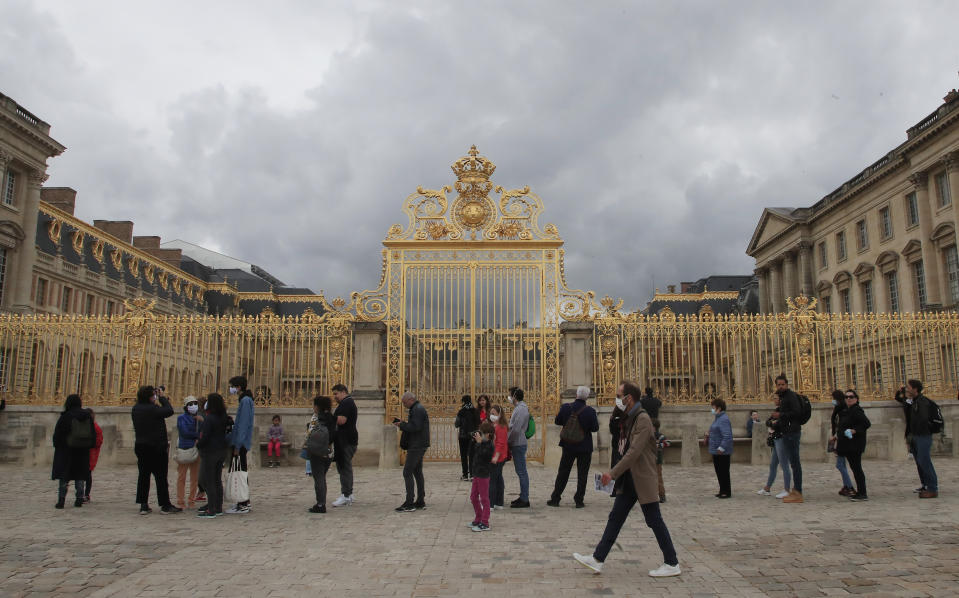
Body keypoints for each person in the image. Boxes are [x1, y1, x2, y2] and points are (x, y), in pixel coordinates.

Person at [573, 381, 680, 577]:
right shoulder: (630, 417)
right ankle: (598, 559)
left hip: (641, 478)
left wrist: (612, 473)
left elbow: (633, 452)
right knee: (615, 518)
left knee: (654, 520)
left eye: (619, 395)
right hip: (631, 479)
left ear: (628, 398)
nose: (617, 399)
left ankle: (672, 562)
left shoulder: (643, 419)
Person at [131, 385, 181, 515]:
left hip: (141, 445)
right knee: (160, 477)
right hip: (156, 446)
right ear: (149, 396)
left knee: (143, 475)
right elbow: (169, 411)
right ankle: (165, 504)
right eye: (153, 394)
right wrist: (162, 397)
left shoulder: (136, 408)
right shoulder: (153, 409)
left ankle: (143, 504)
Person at [548, 385, 599, 508]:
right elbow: (595, 428)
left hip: (568, 445)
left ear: (576, 394)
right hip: (584, 447)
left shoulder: (566, 407)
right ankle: (579, 500)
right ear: (587, 397)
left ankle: (555, 498)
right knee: (583, 474)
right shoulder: (590, 411)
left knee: (563, 472)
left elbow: (557, 421)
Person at [895, 379, 938, 498]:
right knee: (920, 462)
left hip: (922, 435)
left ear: (915, 389)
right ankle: (926, 485)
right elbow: (898, 398)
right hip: (915, 435)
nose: (907, 389)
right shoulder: (913, 401)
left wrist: (917, 431)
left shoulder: (921, 402)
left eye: (908, 387)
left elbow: (923, 419)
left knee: (925, 461)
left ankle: (932, 488)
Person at [51, 394, 93, 509]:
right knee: (80, 475)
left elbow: (58, 434)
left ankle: (61, 500)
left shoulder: (66, 416)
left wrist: (57, 445)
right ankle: (79, 498)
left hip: (66, 450)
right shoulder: (86, 415)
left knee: (64, 475)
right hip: (82, 450)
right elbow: (92, 433)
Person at [394, 391, 430, 511]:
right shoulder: (417, 408)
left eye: (404, 402)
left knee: (407, 472)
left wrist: (402, 425)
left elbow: (415, 427)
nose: (404, 405)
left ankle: (409, 502)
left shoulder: (417, 409)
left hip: (416, 445)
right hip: (419, 443)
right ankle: (420, 501)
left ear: (410, 400)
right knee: (417, 472)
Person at [772, 374, 804, 503]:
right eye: (778, 385)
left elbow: (796, 413)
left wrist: (780, 414)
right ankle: (795, 490)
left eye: (782, 384)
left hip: (792, 433)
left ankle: (798, 492)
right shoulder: (784, 397)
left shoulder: (790, 396)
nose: (780, 386)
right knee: (793, 462)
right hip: (787, 432)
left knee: (795, 463)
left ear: (787, 384)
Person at [225, 375, 254, 514]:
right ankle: (242, 501)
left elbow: (243, 424)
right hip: (240, 441)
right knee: (239, 471)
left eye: (232, 386)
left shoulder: (246, 401)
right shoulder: (244, 400)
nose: (231, 389)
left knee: (240, 473)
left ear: (239, 387)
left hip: (240, 443)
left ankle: (243, 503)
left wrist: (237, 444)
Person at [197, 393, 229, 518]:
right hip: (221, 450)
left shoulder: (210, 418)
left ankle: (211, 509)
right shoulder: (223, 416)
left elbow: (205, 436)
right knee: (217, 480)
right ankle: (218, 506)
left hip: (210, 451)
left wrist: (199, 444)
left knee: (208, 480)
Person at [836, 389, 871, 501]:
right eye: (846, 397)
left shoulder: (856, 410)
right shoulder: (848, 410)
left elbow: (866, 424)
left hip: (855, 445)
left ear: (856, 399)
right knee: (855, 468)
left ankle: (862, 493)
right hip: (849, 445)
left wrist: (855, 430)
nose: (848, 399)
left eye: (851, 397)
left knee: (857, 469)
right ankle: (860, 492)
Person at [757, 395, 791, 498]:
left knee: (784, 465)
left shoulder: (785, 411)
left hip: (782, 439)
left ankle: (787, 489)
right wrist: (773, 422)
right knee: (773, 464)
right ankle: (767, 487)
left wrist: (775, 422)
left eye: (776, 398)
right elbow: (768, 422)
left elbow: (779, 424)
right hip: (776, 439)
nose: (774, 400)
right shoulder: (777, 410)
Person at [331, 383, 359, 507]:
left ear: (343, 391)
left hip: (345, 440)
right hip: (346, 439)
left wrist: (328, 417)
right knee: (345, 467)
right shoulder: (347, 403)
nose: (335, 397)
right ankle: (349, 493)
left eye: (336, 394)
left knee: (344, 468)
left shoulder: (347, 403)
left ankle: (346, 495)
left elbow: (342, 420)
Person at [307, 396, 336, 513]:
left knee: (318, 478)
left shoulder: (316, 417)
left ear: (317, 406)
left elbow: (310, 433)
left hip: (317, 451)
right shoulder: (332, 418)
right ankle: (321, 502)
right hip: (329, 451)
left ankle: (320, 504)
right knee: (322, 477)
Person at [175, 396, 203, 509]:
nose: (193, 406)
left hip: (196, 449)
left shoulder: (200, 418)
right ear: (186, 406)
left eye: (195, 403)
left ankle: (191, 500)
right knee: (182, 476)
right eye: (190, 404)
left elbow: (204, 430)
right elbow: (184, 432)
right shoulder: (181, 418)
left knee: (195, 477)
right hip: (184, 448)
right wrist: (197, 435)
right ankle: (180, 500)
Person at [468, 421, 495, 531]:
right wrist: (474, 441)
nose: (480, 435)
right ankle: (478, 518)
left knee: (484, 499)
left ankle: (485, 522)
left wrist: (479, 443)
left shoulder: (489, 446)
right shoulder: (481, 443)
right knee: (473, 497)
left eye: (482, 433)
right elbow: (472, 453)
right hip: (477, 473)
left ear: (488, 434)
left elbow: (484, 455)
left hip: (484, 475)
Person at [828, 390, 856, 496]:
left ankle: (850, 487)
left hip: (841, 440)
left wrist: (835, 436)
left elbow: (841, 425)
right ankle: (846, 486)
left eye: (834, 398)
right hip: (839, 438)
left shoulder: (842, 410)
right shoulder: (840, 408)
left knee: (840, 465)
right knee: (842, 464)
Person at [507, 387, 531, 508]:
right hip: (518, 442)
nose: (509, 398)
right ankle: (523, 496)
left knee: (521, 472)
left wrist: (509, 441)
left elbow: (516, 429)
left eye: (510, 395)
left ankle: (525, 499)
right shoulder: (519, 408)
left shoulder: (521, 409)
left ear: (515, 396)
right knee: (520, 471)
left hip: (518, 442)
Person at [706, 398, 733, 498]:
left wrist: (721, 447)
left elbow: (727, 435)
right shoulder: (718, 418)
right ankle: (722, 490)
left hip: (722, 451)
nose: (712, 410)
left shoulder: (723, 419)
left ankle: (726, 491)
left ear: (719, 408)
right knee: (719, 471)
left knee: (724, 471)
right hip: (716, 449)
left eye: (713, 408)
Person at [488, 404, 509, 510]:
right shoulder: (495, 425)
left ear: (500, 414)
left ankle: (490, 503)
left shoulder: (501, 427)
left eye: (494, 414)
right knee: (498, 478)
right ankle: (499, 502)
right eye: (490, 413)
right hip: (499, 456)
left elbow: (500, 443)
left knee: (492, 480)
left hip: (499, 457)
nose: (491, 415)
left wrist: (496, 456)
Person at [454, 395, 480, 480]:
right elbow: (478, 422)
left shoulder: (461, 411)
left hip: (463, 436)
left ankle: (465, 474)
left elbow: (457, 424)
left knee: (464, 455)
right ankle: (472, 474)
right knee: (472, 455)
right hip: (473, 436)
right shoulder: (475, 411)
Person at [85, 408, 103, 503]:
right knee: (86, 475)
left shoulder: (95, 427)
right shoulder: (95, 427)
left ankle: (85, 494)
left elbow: (98, 441)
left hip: (90, 454)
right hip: (89, 454)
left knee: (87, 475)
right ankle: (84, 494)